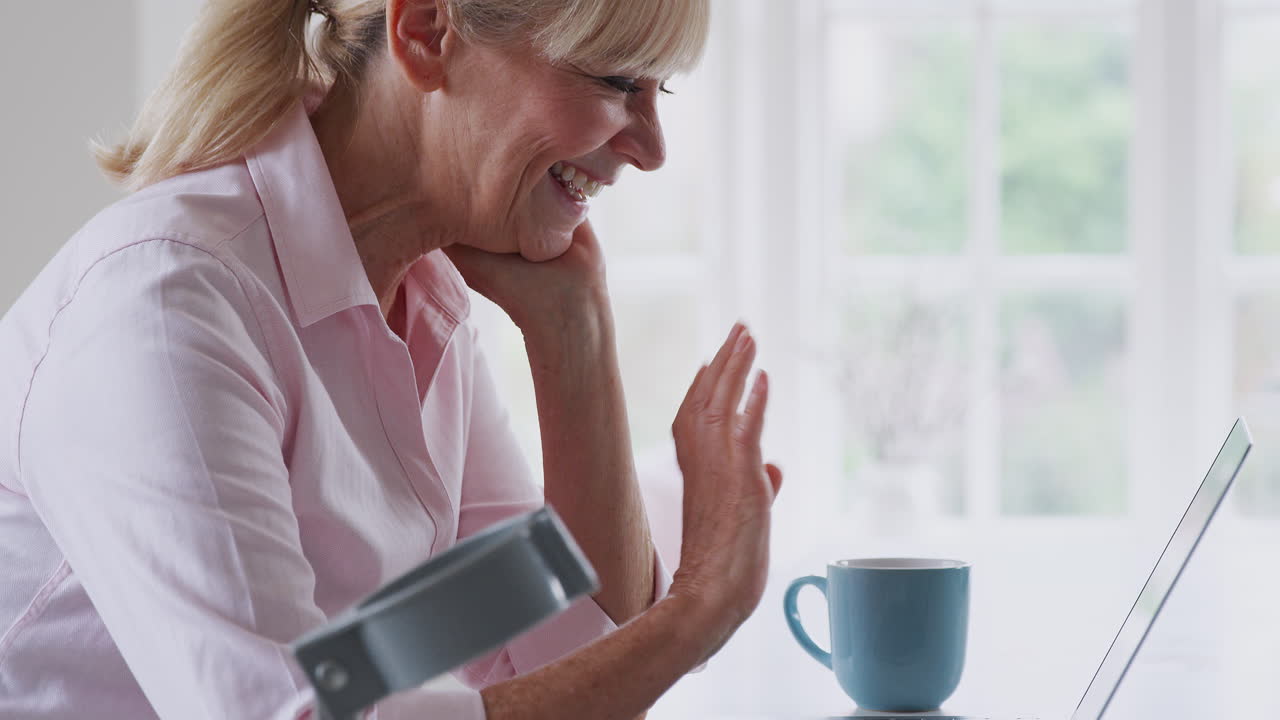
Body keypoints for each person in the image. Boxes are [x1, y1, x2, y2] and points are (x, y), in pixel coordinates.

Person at [0, 1, 784, 718]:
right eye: (618, 82)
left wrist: (575, 335)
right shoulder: (167, 304)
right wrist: (698, 608)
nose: (651, 148)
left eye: (659, 92)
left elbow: (570, 663)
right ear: (426, 34)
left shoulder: (421, 301)